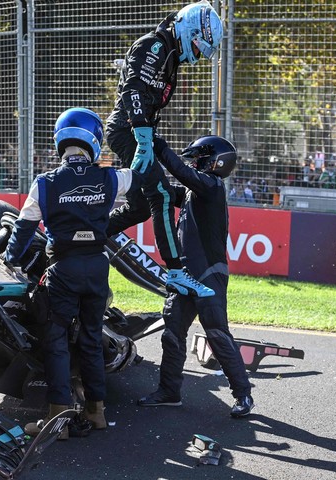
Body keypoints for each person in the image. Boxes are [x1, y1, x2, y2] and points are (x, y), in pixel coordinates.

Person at [5, 107, 139, 439]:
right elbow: (142, 180)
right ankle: (96, 413)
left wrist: (11, 262)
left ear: (60, 140)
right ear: (94, 140)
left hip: (61, 270)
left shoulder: (44, 183)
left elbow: (22, 232)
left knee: (57, 342)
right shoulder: (111, 177)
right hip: (97, 268)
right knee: (92, 339)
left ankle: (57, 420)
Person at [105, 1, 223, 298]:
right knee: (162, 195)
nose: (196, 58)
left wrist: (151, 140)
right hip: (127, 131)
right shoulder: (154, 46)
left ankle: (86, 237)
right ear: (189, 30)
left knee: (141, 207)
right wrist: (144, 141)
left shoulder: (170, 57)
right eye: (197, 48)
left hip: (139, 133)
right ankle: (175, 273)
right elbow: (133, 90)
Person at [137, 134, 254, 418]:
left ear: (216, 162)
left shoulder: (212, 186)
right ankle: (169, 392)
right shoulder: (196, 191)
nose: (196, 162)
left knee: (216, 333)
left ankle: (244, 395)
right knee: (172, 332)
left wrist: (160, 146)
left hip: (208, 275)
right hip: (185, 275)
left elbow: (181, 172)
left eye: (200, 158)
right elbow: (165, 189)